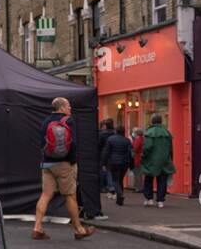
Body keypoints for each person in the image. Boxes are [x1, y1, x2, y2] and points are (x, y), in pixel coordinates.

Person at [33, 97, 95, 241]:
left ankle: (37, 227)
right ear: (61, 108)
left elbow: (43, 143)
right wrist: (73, 162)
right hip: (64, 164)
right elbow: (73, 144)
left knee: (46, 195)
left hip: (47, 164)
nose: (70, 108)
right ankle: (79, 229)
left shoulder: (45, 121)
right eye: (68, 106)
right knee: (70, 196)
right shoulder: (69, 121)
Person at [139, 114, 174, 208]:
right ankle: (160, 201)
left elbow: (147, 147)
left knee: (148, 179)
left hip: (151, 160)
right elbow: (171, 149)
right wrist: (170, 159)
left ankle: (149, 199)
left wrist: (143, 156)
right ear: (161, 121)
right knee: (162, 181)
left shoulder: (149, 132)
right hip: (165, 160)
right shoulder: (167, 133)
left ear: (152, 121)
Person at [101, 125, 134, 207]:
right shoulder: (127, 140)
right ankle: (119, 200)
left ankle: (120, 194)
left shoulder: (111, 139)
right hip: (124, 163)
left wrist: (103, 163)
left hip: (113, 162)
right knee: (120, 180)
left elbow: (106, 152)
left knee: (115, 180)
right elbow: (130, 153)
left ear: (116, 131)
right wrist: (131, 164)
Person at [97, 118, 116, 198]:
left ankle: (107, 187)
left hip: (103, 155)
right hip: (114, 155)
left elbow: (98, 145)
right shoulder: (115, 134)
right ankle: (113, 187)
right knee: (113, 172)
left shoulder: (102, 134)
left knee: (106, 172)